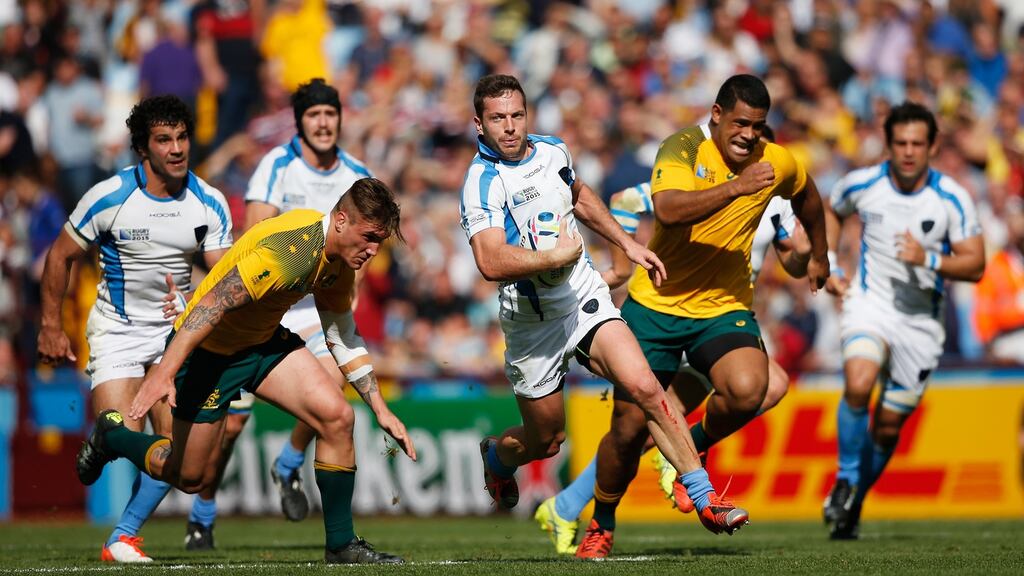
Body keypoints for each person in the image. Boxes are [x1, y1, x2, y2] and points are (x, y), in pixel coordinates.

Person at [460, 74, 746, 560]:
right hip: (531, 323)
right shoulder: (480, 183)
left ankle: (705, 498)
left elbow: (581, 197)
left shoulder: (553, 151)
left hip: (581, 297)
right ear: (479, 125)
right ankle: (496, 457)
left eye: (516, 115)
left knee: (646, 387)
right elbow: (489, 261)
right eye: (497, 119)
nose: (509, 127)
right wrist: (553, 258)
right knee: (547, 441)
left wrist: (628, 244)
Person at [75, 178, 415, 565]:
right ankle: (113, 435)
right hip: (208, 353)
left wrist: (381, 408)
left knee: (337, 416)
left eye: (379, 241)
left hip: (262, 342)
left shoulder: (337, 263)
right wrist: (165, 371)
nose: (373, 250)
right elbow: (212, 305)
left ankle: (341, 544)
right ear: (340, 221)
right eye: (369, 237)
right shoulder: (291, 252)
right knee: (189, 477)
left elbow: (341, 333)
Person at [568, 74, 829, 557]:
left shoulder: (776, 160)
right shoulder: (682, 147)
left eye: (757, 126)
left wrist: (820, 255)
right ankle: (601, 523)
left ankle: (687, 449)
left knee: (752, 388)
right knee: (626, 432)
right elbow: (667, 210)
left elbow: (808, 196)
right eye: (740, 123)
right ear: (716, 115)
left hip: (722, 305)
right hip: (656, 303)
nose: (749, 135)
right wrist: (736, 188)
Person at [536, 164, 816, 554]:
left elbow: (794, 261)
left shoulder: (776, 202)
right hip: (662, 311)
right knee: (634, 428)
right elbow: (627, 199)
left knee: (765, 387)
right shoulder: (698, 180)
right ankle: (579, 510)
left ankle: (678, 460)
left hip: (718, 321)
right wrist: (622, 263)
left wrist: (806, 256)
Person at [37, 95, 233, 563]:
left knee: (185, 468)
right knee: (125, 430)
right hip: (119, 332)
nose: (177, 148)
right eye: (164, 140)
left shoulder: (209, 201)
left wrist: (190, 298)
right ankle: (110, 451)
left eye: (182, 137)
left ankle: (120, 538)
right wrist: (50, 326)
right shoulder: (109, 197)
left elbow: (224, 279)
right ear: (142, 150)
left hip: (175, 335)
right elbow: (60, 255)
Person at [183, 77, 372, 550]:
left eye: (330, 114)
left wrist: (345, 299)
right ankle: (203, 513)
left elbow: (363, 247)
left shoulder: (355, 172)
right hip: (269, 300)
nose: (324, 123)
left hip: (318, 302)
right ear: (300, 122)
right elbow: (253, 237)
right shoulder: (277, 166)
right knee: (232, 424)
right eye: (314, 115)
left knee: (333, 386)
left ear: (340, 119)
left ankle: (288, 464)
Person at [822, 102, 984, 540]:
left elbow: (975, 265)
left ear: (932, 145)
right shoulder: (863, 183)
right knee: (858, 382)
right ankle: (845, 479)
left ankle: (853, 501)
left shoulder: (952, 197)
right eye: (901, 143)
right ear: (888, 144)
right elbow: (830, 212)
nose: (909, 152)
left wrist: (927, 257)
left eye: (917, 143)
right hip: (870, 303)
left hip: (921, 326)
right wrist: (832, 262)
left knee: (889, 425)